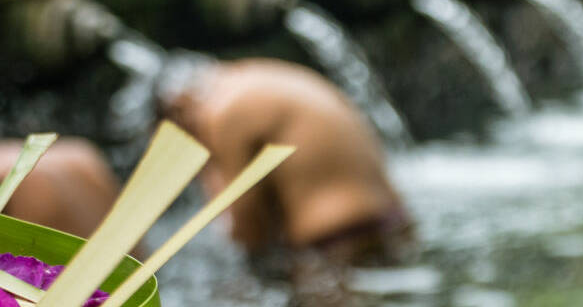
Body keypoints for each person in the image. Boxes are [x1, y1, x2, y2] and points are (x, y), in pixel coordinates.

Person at [156, 57, 409, 261]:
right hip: (393, 224)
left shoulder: (222, 112)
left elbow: (246, 230)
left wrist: (209, 171)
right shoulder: (255, 77)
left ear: (179, 107)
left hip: (336, 244)